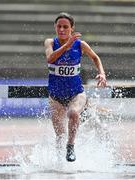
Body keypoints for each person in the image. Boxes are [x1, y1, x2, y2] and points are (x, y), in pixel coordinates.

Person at [44, 12, 107, 162]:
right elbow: (50, 59)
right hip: (55, 96)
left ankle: (71, 146)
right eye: (59, 26)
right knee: (59, 136)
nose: (62, 30)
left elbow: (95, 58)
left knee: (73, 113)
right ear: (55, 27)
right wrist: (66, 45)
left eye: (66, 27)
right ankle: (59, 165)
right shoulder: (50, 43)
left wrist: (102, 73)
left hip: (76, 93)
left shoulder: (80, 44)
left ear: (72, 28)